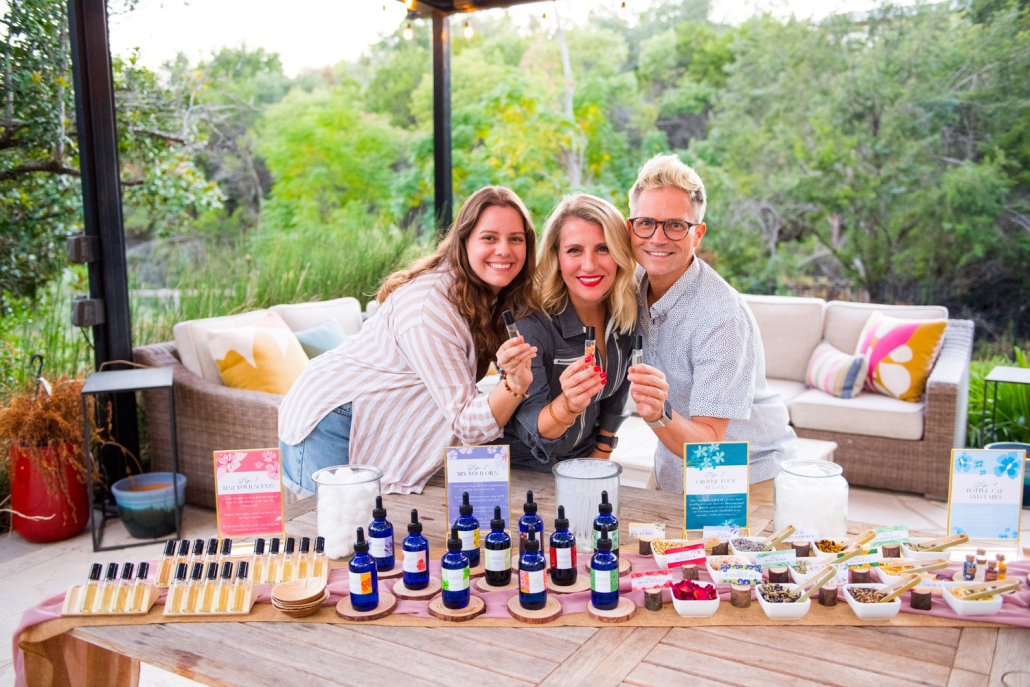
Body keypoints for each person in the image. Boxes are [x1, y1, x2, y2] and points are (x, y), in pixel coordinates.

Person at [278, 186, 538, 496]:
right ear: (464, 240)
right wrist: (514, 384)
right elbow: (467, 422)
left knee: (368, 522)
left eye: (515, 239)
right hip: (332, 418)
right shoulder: (428, 309)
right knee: (339, 522)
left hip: (369, 414)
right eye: (489, 238)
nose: (504, 250)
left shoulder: (486, 294)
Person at [625, 154, 796, 493]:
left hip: (743, 474)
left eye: (675, 225)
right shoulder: (632, 284)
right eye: (646, 223)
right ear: (631, 228)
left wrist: (657, 412)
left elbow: (709, 444)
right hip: (674, 465)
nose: (657, 238)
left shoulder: (721, 317)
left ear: (698, 234)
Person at [501, 194, 638, 472]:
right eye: (574, 250)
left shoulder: (624, 310)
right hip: (524, 471)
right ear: (557, 257)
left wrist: (602, 451)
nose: (589, 264)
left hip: (584, 463)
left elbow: (617, 395)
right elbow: (530, 427)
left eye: (603, 248)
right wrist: (568, 406)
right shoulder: (531, 322)